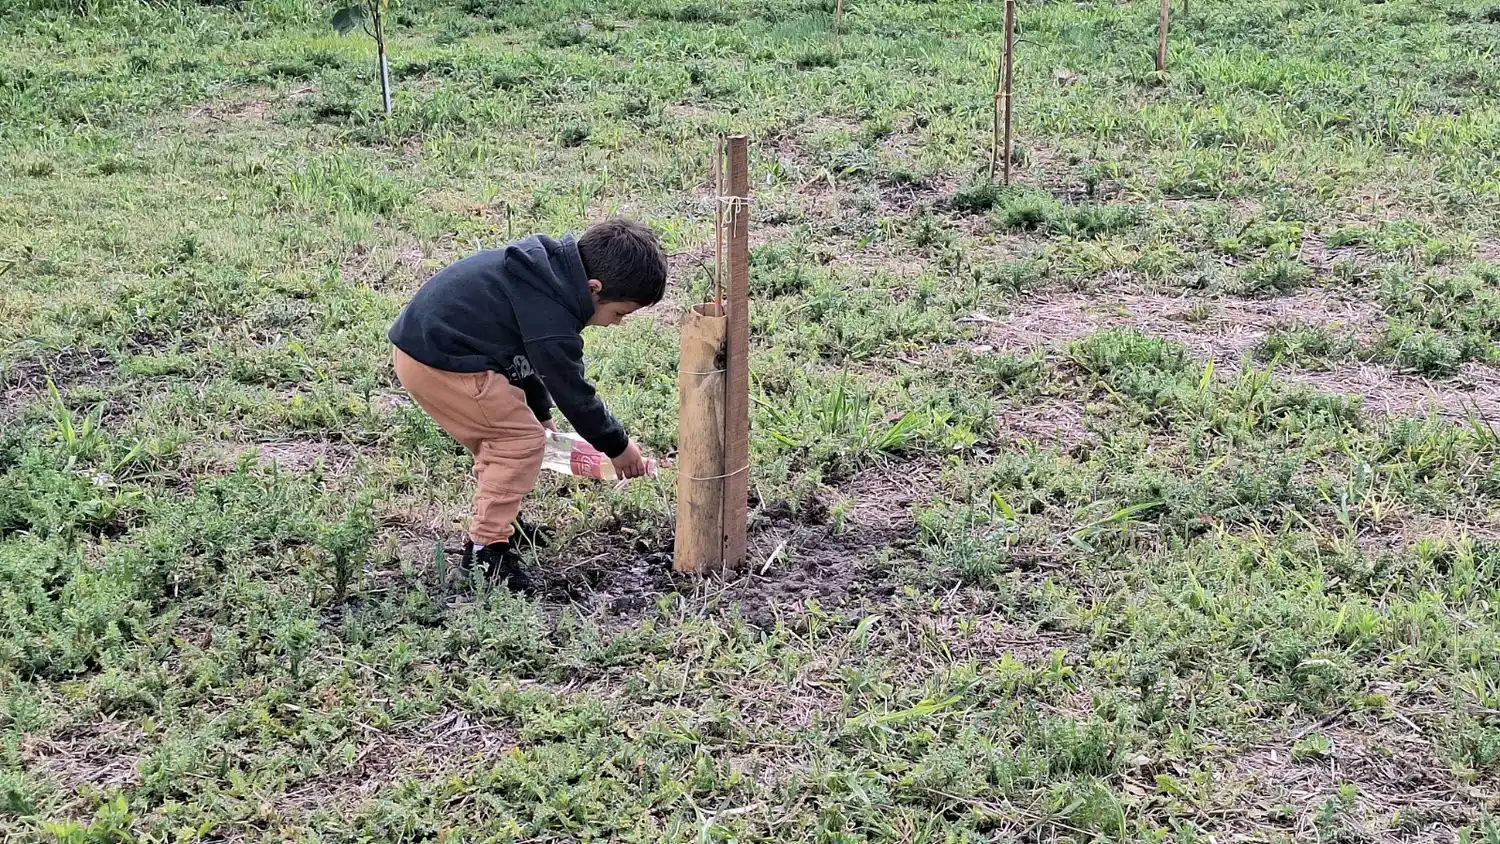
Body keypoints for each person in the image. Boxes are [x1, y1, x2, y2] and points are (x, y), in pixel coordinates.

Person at [388, 218, 665, 592]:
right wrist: (616, 446)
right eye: (619, 313)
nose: (616, 324)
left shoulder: (546, 276)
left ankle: (502, 523)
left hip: (434, 350)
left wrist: (540, 411)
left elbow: (523, 353)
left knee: (514, 439)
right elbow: (572, 389)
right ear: (594, 289)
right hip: (441, 362)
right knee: (516, 444)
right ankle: (486, 553)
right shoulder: (552, 309)